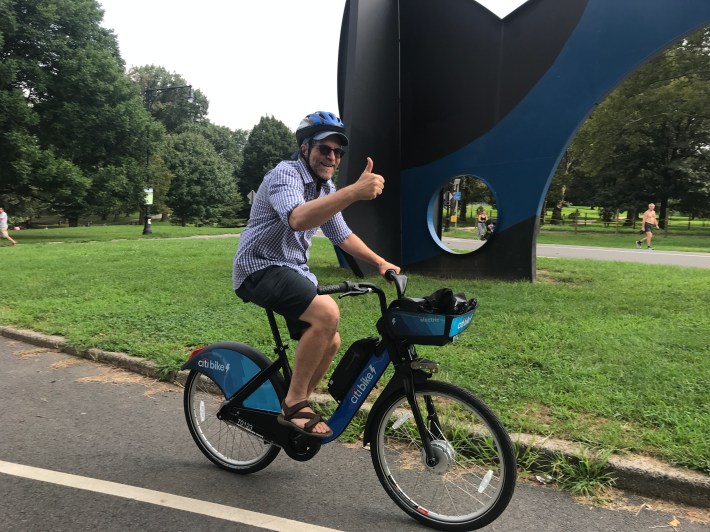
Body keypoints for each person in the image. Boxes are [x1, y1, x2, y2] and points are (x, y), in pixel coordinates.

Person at [232, 111, 400, 438]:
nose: (332, 157)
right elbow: (297, 218)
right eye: (325, 149)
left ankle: (296, 405)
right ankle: (294, 403)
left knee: (331, 338)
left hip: (292, 269)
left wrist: (380, 262)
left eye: (338, 153)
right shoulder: (286, 175)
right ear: (305, 148)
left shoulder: (325, 188)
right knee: (327, 313)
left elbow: (341, 234)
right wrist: (352, 192)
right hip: (259, 266)